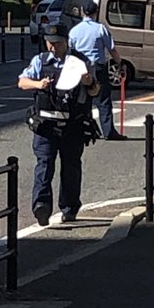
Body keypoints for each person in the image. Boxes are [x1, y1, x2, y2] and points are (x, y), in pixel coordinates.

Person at [18, 23, 100, 227]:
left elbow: (94, 91)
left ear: (66, 42)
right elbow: (22, 82)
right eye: (50, 43)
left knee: (70, 167)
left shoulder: (80, 62)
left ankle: (70, 208)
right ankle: (41, 207)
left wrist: (88, 81)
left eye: (58, 43)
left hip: (73, 125)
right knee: (44, 164)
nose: (53, 47)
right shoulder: (41, 60)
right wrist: (38, 84)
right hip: (46, 125)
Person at [67, 0, 127, 141]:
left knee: (82, 100)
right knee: (103, 101)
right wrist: (120, 63)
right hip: (98, 68)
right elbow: (111, 49)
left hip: (80, 69)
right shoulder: (100, 29)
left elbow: (70, 51)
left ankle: (84, 129)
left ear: (82, 11)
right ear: (96, 12)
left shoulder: (74, 31)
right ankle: (108, 132)